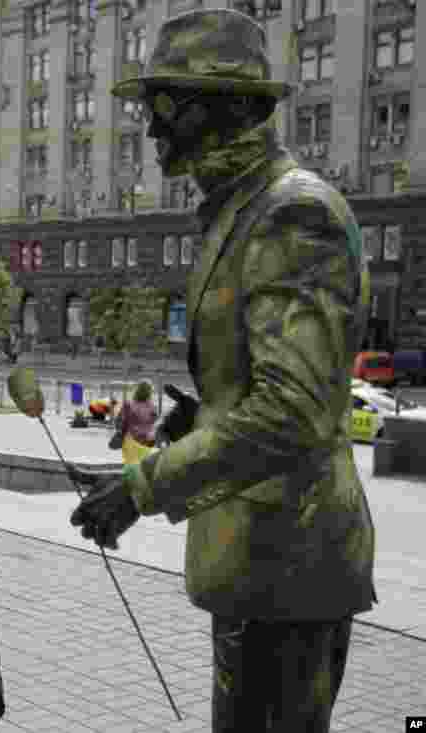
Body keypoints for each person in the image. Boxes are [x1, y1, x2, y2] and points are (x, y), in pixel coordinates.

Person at [69, 10, 376, 732]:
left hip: (291, 567)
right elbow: (255, 391)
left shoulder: (292, 214)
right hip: (258, 565)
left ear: (227, 106)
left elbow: (293, 410)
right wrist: (199, 416)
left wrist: (144, 485)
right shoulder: (240, 209)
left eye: (166, 107)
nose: (152, 130)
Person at [118, 381, 157, 465]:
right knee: (142, 465)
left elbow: (122, 422)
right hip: (147, 440)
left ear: (136, 390)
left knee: (130, 464)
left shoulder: (128, 404)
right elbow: (154, 423)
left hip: (131, 439)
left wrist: (120, 435)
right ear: (149, 392)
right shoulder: (152, 406)